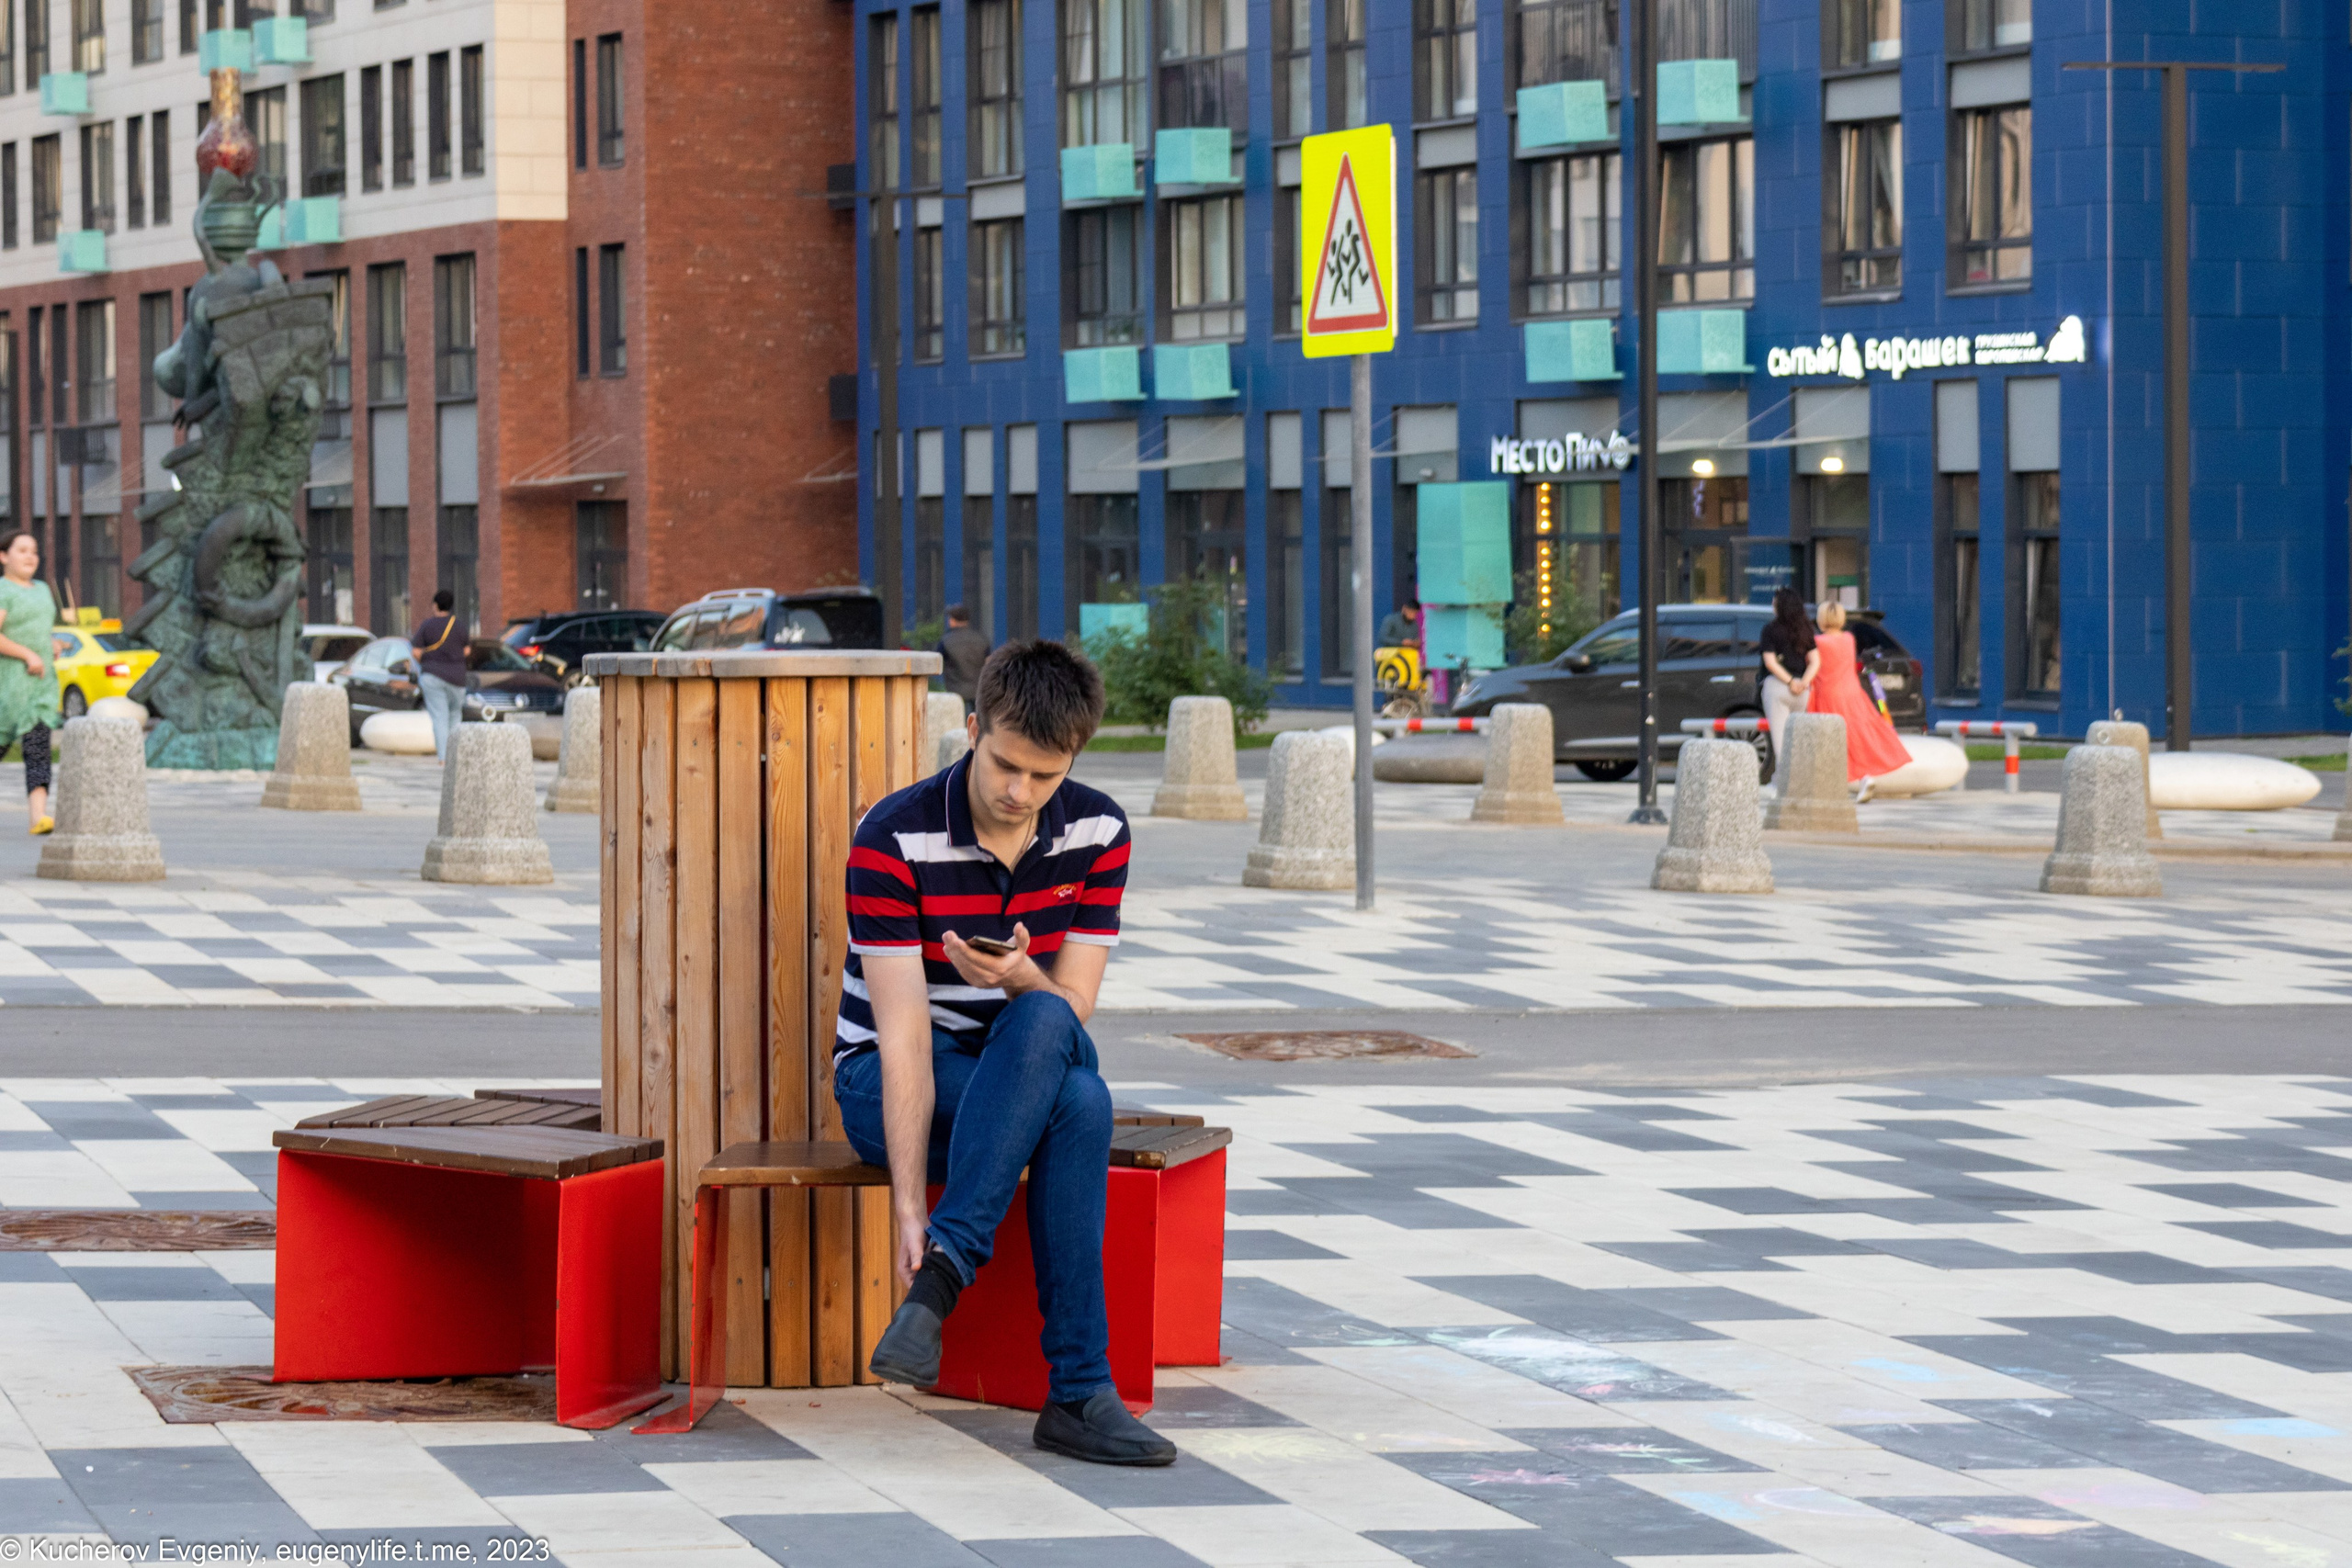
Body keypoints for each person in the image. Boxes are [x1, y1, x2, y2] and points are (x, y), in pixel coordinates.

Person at [842, 638, 1174, 1468]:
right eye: (1005, 765)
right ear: (972, 729)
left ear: (1074, 761)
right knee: (1080, 1101)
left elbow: (1074, 1005)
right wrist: (909, 1206)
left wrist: (1021, 974)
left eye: (1043, 775)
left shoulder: (1100, 830)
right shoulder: (893, 836)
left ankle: (943, 1280)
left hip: (1019, 1062)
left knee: (1052, 1035)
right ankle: (1079, 1392)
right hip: (889, 1082)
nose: (1019, 791)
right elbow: (902, 1040)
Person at [1805, 600, 1912, 801]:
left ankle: (1830, 785)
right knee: (1858, 738)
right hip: (1853, 694)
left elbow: (1812, 665)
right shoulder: (1848, 639)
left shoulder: (1818, 642)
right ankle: (1865, 777)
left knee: (1828, 741)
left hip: (1828, 694)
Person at [0, 531, 60, 836]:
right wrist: (27, 654)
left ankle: (38, 816)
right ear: (3, 556)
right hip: (8, 687)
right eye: (21, 550)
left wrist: (51, 644)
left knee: (38, 748)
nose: (30, 557)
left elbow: (38, 629)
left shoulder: (43, 589)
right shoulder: (3, 590)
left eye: (34, 551)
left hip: (39, 686)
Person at [1757, 587, 1819, 791]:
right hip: (1802, 691)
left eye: (1774, 601)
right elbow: (1816, 661)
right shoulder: (1806, 629)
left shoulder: (1770, 630)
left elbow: (1770, 662)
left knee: (1781, 740)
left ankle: (1783, 784)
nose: (1772, 604)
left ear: (1780, 606)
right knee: (1796, 737)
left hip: (1777, 688)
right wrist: (1803, 683)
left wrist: (1790, 682)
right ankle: (1797, 783)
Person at [407, 590, 469, 756]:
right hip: (457, 677)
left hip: (432, 676)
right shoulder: (459, 625)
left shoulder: (427, 625)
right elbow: (467, 651)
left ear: (435, 605)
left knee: (440, 717)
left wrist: (427, 659)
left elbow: (415, 651)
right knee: (455, 716)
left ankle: (443, 758)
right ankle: (455, 756)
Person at [934, 604, 990, 711]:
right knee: (977, 718)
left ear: (952, 621)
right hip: (977, 690)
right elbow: (989, 662)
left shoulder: (946, 641)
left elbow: (937, 662)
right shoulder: (981, 639)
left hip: (955, 691)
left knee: (956, 718)